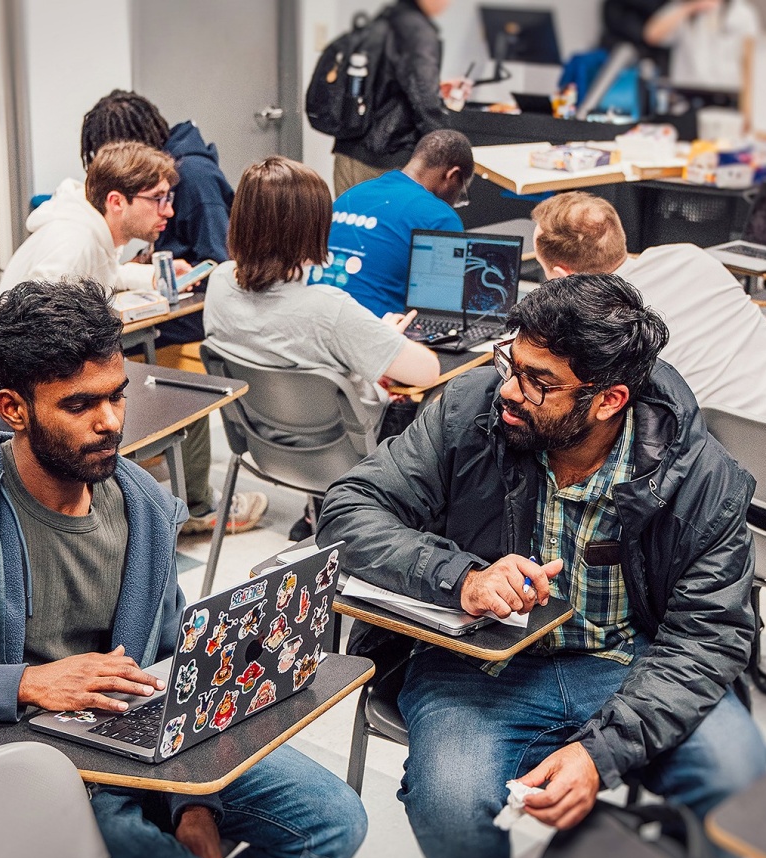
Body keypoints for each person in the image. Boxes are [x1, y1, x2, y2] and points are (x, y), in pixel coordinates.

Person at [0, 278, 367, 858]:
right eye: (79, 406)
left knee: (333, 822)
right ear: (14, 409)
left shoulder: (144, 506)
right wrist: (22, 683)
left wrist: (193, 804)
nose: (110, 423)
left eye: (116, 395)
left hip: (134, 750)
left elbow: (171, 668)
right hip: (16, 766)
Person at [317, 273, 766, 858]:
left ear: (609, 400)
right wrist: (461, 578)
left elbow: (708, 637)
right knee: (448, 800)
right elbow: (348, 510)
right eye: (511, 362)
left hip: (632, 661)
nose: (509, 388)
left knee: (737, 775)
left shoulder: (701, 478)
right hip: (475, 666)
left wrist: (599, 754)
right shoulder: (468, 411)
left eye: (539, 381)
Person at [529, 192, 766, 700]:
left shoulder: (602, 327)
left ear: (560, 275)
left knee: (655, 480)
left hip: (753, 503)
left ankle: (705, 651)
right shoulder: (691, 256)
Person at [206, 156, 440, 540]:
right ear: (310, 229)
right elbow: (427, 371)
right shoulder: (328, 308)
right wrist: (382, 337)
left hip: (262, 446)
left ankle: (316, 518)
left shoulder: (218, 283)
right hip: (348, 454)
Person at [77, 91, 266, 539]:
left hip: (194, 317)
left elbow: (222, 264)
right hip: (168, 304)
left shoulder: (194, 177)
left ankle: (193, 501)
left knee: (167, 373)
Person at [80, 89, 233, 348]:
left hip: (207, 309)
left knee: (100, 340)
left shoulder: (195, 178)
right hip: (173, 290)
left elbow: (221, 267)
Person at [311, 128, 474, 318]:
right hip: (373, 326)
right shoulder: (440, 216)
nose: (456, 202)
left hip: (312, 317)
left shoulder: (352, 194)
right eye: (461, 193)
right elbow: (442, 307)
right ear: (452, 175)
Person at [0, 141, 174, 298]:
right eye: (157, 198)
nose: (169, 211)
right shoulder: (74, 242)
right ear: (116, 202)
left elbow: (100, 276)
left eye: (168, 198)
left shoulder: (91, 230)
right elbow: (42, 321)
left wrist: (156, 276)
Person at [331, 0, 455, 196]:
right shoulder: (418, 31)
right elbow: (425, 99)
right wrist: (449, 151)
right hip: (386, 160)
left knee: (347, 216)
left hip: (348, 151)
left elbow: (385, 83)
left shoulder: (384, 19)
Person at [642, 0, 761, 90]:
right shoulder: (682, 6)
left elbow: (752, 59)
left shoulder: (741, 13)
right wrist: (690, 8)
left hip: (728, 92)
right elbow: (651, 35)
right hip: (688, 91)